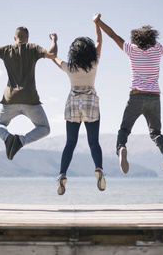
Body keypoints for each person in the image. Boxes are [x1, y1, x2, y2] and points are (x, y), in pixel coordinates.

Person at [95, 14, 163, 174]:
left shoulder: (131, 49)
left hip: (136, 96)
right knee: (155, 133)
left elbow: (113, 35)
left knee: (124, 130)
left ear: (135, 39)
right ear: (152, 38)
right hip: (154, 96)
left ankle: (121, 149)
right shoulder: (158, 49)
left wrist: (98, 22)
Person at [0, 28, 58, 160]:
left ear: (15, 38)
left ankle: (7, 137)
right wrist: (54, 40)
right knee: (44, 128)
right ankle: (21, 141)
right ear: (27, 38)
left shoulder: (6, 49)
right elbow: (52, 54)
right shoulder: (33, 48)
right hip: (30, 99)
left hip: (10, 99)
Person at [51, 13, 105, 195]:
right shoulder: (94, 63)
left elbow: (53, 56)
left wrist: (54, 40)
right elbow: (99, 41)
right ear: (88, 51)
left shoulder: (69, 68)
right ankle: (98, 168)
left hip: (73, 104)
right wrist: (96, 23)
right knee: (94, 142)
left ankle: (62, 174)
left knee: (70, 142)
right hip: (90, 102)